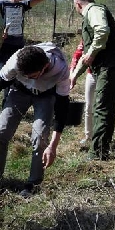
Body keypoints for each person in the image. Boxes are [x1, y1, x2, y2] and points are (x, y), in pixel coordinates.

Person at [0, 44, 70, 198]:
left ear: (45, 67)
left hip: (46, 95)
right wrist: (24, 78)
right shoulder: (16, 61)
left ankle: (33, 184)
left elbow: (62, 107)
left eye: (31, 76)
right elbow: (2, 82)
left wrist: (53, 146)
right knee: (1, 131)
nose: (28, 78)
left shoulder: (61, 69)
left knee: (40, 138)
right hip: (19, 91)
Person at [70, 0, 115, 161]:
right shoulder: (90, 15)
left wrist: (93, 52)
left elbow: (102, 31)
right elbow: (87, 53)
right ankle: (100, 149)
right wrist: (74, 75)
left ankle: (98, 153)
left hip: (110, 66)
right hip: (107, 66)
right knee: (102, 108)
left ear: (78, 4)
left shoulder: (93, 10)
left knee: (103, 109)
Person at [70, 27, 115, 146]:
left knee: (105, 108)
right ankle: (89, 135)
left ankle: (103, 138)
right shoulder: (89, 31)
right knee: (89, 106)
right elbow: (80, 50)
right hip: (92, 73)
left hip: (110, 74)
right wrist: (73, 69)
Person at [0, 0, 46, 104]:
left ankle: (7, 102)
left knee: (14, 74)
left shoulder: (22, 5)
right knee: (3, 72)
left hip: (18, 45)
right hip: (3, 45)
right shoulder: (2, 4)